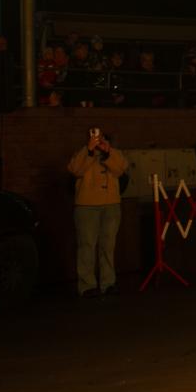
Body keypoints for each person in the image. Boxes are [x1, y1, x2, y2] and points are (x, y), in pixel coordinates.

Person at [68, 126, 128, 297]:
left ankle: (108, 283)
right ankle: (87, 285)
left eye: (101, 137)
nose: (98, 140)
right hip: (87, 206)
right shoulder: (82, 154)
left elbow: (121, 169)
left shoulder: (115, 154)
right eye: (95, 136)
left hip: (111, 205)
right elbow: (75, 170)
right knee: (87, 246)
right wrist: (89, 150)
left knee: (108, 246)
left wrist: (108, 152)